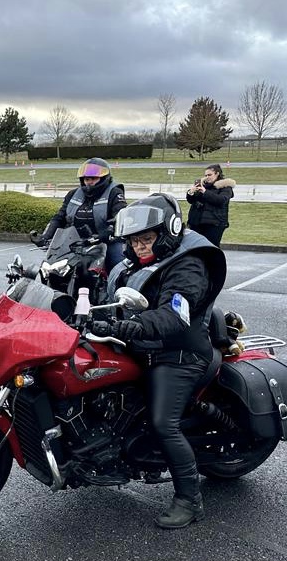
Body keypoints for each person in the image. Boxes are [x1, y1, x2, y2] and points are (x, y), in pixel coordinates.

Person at [93, 193, 226, 529]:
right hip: (141, 346)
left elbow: (172, 318)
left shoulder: (189, 265)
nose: (139, 247)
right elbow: (107, 297)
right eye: (134, 240)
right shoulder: (133, 264)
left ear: (168, 233)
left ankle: (189, 500)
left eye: (146, 239)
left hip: (179, 353)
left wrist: (125, 326)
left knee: (162, 424)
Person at [36, 157, 127, 272]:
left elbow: (121, 215)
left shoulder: (115, 193)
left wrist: (107, 232)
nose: (89, 182)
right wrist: (45, 236)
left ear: (104, 178)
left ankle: (118, 288)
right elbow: (59, 217)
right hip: (75, 242)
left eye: (93, 178)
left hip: (106, 241)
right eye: (86, 179)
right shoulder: (73, 194)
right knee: (51, 268)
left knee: (118, 265)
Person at [186, 164, 235, 246]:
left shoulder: (225, 187)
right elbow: (191, 201)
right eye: (205, 175)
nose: (207, 177)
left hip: (214, 223)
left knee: (210, 248)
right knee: (195, 248)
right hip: (196, 222)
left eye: (209, 175)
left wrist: (205, 192)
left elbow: (221, 200)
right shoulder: (203, 185)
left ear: (217, 174)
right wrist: (191, 192)